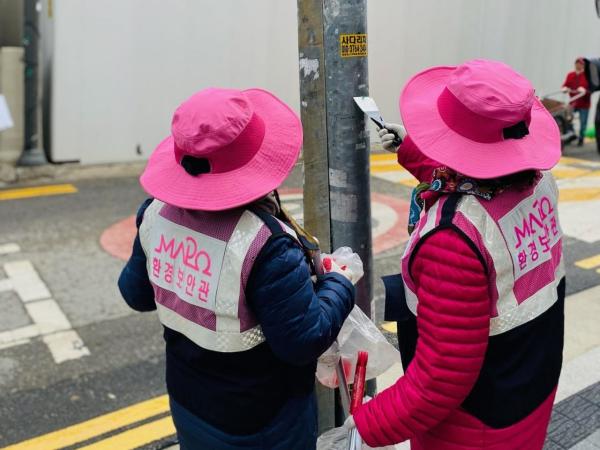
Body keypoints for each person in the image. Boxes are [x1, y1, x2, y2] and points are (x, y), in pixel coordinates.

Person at [118, 87, 361, 449]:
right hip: (265, 421)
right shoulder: (267, 244)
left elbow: (135, 293)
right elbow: (303, 341)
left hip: (189, 401)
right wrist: (339, 283)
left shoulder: (155, 213)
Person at [345, 59, 565, 450]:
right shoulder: (539, 182)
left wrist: (364, 428)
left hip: (473, 426)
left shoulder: (453, 238)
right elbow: (487, 179)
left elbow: (440, 380)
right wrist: (411, 149)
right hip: (531, 384)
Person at [562, 57, 591, 146]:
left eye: (581, 64)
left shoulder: (588, 76)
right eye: (577, 63)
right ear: (575, 64)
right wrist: (565, 88)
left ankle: (581, 139)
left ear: (584, 66)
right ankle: (571, 134)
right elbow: (565, 85)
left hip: (584, 103)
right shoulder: (570, 75)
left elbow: (591, 89)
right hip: (573, 101)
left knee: (583, 123)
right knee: (567, 117)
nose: (579, 65)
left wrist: (585, 90)